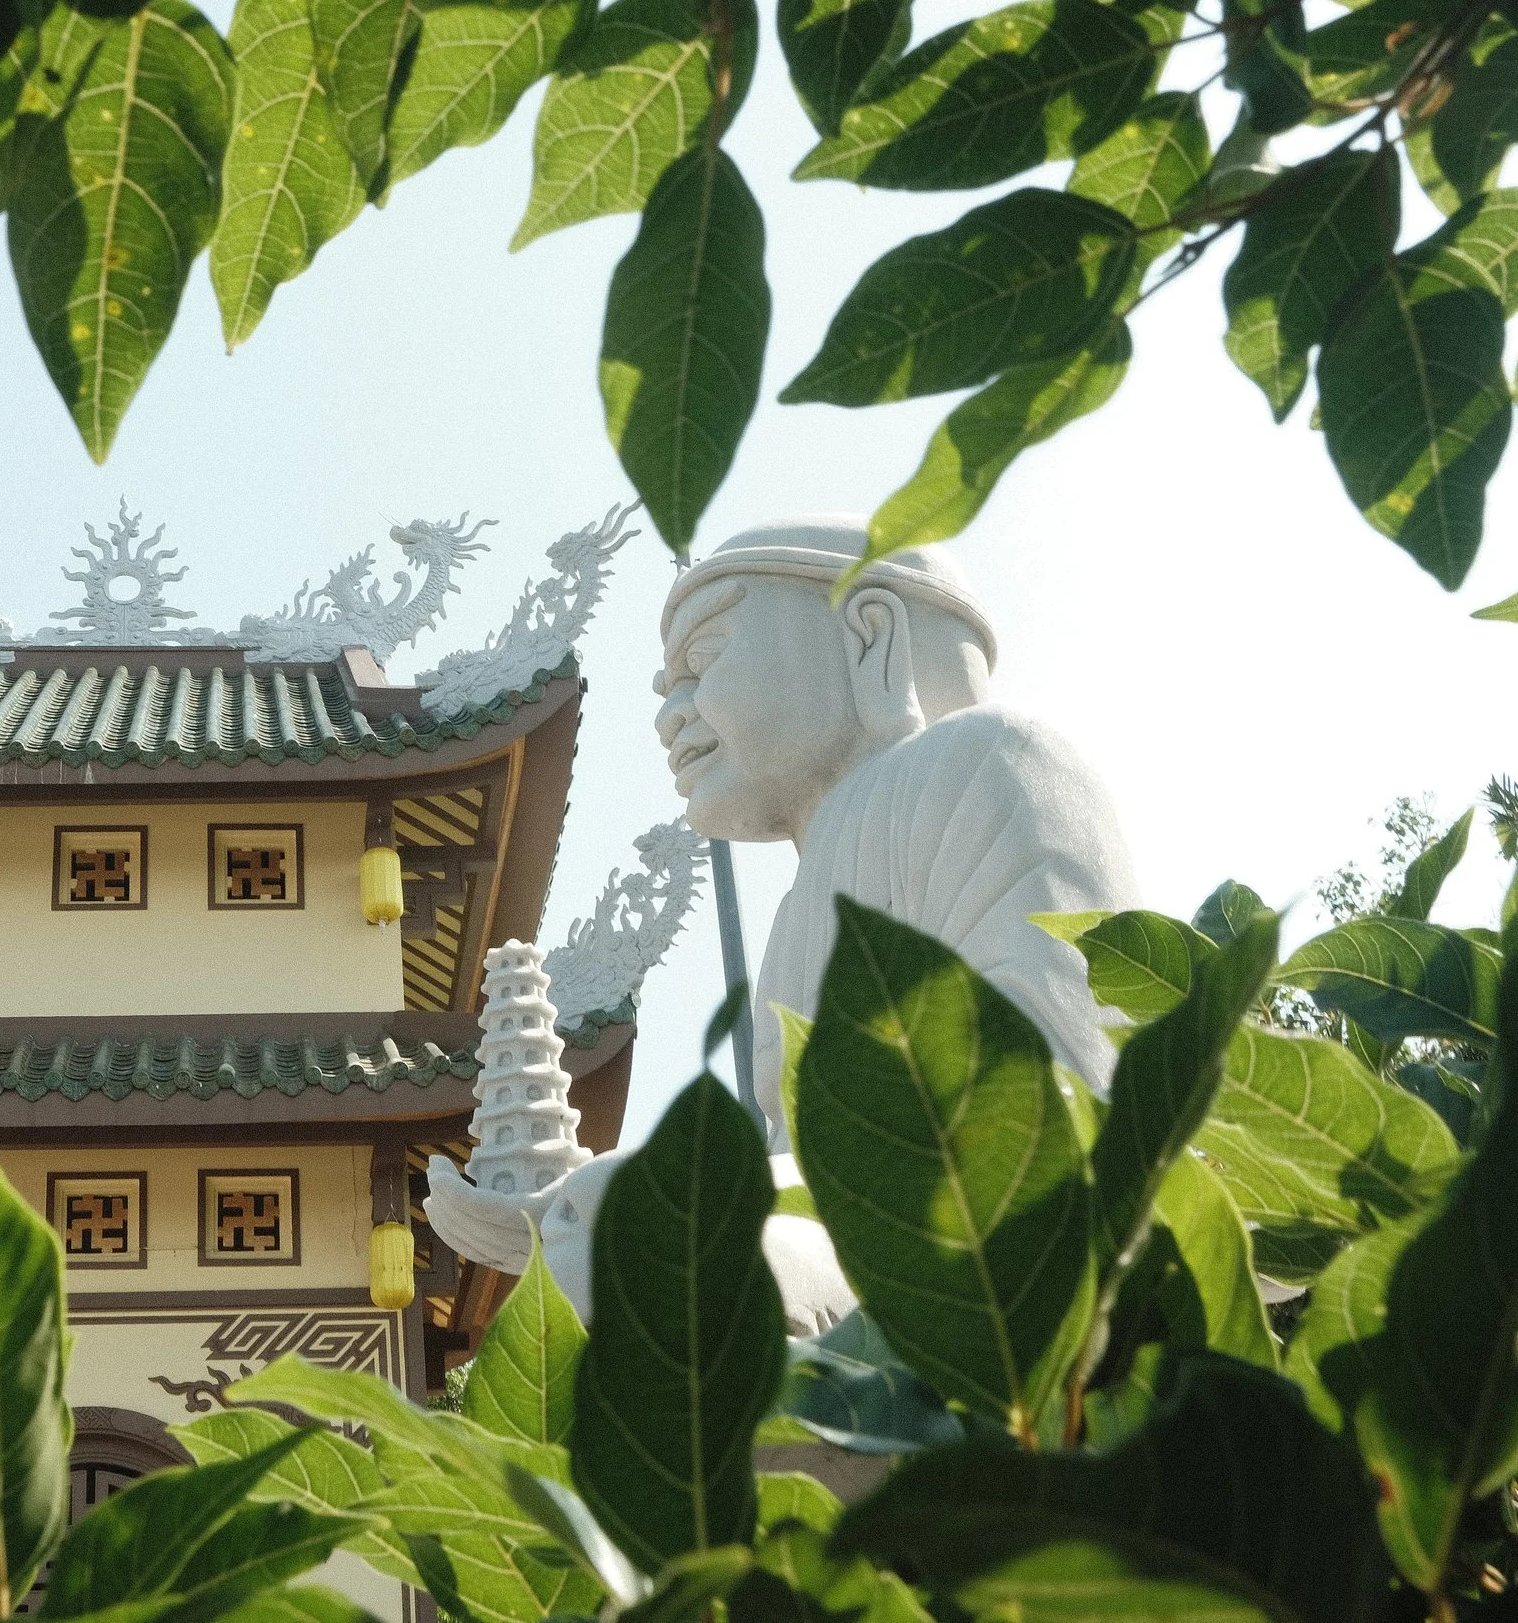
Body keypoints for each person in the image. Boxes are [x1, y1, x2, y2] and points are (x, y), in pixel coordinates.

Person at [424, 519, 1141, 1330]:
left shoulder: (993, 763)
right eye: (666, 690)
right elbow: (801, 1179)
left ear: (871, 634)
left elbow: (1059, 1108)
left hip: (1016, 1259)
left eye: (702, 662)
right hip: (871, 1273)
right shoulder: (799, 919)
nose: (672, 716)